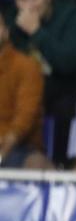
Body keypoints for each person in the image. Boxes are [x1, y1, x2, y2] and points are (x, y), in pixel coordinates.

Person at [7, 0, 76, 164]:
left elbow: (69, 63)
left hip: (69, 85)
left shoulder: (72, 15)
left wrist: (36, 31)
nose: (30, 5)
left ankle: (61, 164)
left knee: (61, 103)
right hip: (30, 86)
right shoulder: (11, 21)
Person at [0, 11, 40, 164]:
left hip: (18, 147)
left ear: (6, 31)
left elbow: (25, 117)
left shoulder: (26, 66)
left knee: (35, 163)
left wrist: (5, 146)